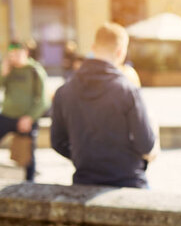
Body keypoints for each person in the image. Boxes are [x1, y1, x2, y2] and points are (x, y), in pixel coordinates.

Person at [50, 22, 156, 188]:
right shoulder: (128, 90)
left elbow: (57, 141)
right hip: (128, 180)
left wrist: (84, 156)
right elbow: (146, 144)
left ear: (93, 47)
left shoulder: (64, 91)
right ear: (120, 52)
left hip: (84, 180)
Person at [0, 40, 49, 182]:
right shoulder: (9, 69)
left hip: (26, 118)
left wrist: (30, 117)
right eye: (11, 54)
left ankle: (30, 184)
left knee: (27, 156)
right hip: (7, 115)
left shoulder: (35, 70)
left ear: (25, 53)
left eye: (17, 54)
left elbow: (44, 100)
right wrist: (4, 72)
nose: (14, 57)